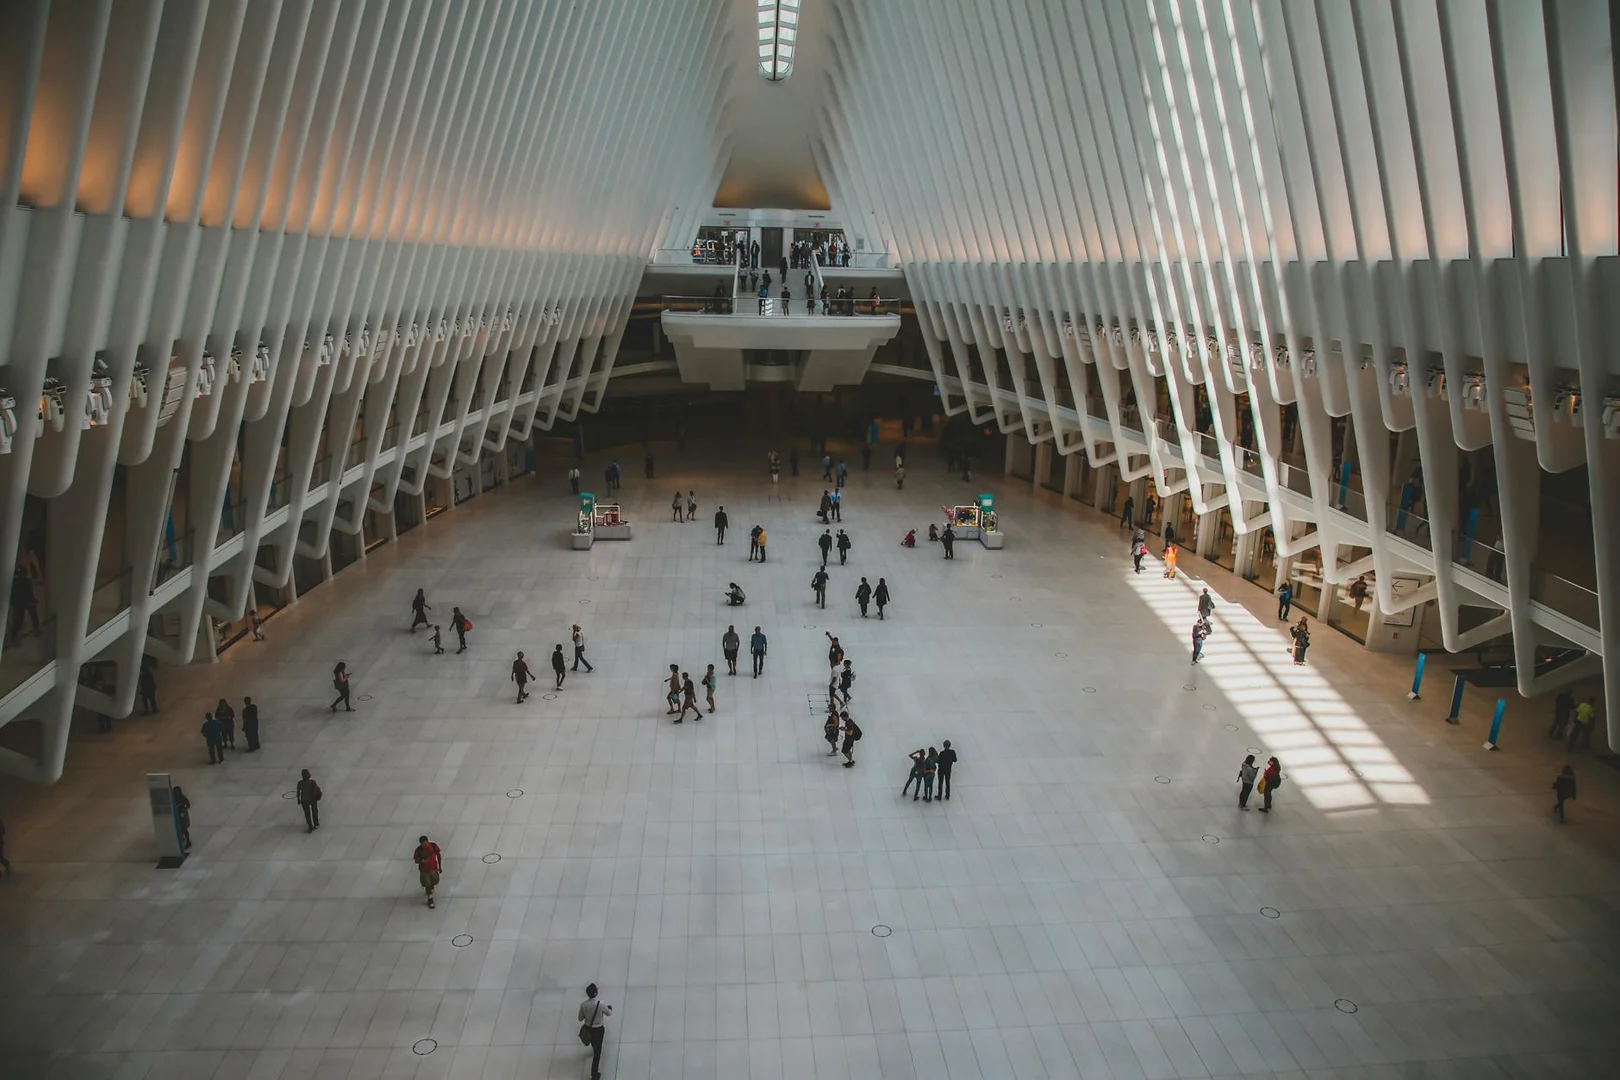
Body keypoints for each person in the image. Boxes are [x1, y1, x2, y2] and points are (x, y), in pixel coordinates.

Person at [578, 984, 613, 1080]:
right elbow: (608, 1013)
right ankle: (594, 1074)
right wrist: (610, 1008)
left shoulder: (583, 1005)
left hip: (589, 1029)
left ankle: (594, 1048)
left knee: (594, 1045)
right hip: (598, 1029)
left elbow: (580, 1018)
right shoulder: (600, 1003)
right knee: (598, 1053)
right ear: (595, 993)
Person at [7, 567, 40, 643]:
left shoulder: (15, 582)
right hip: (25, 602)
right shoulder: (25, 581)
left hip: (20, 603)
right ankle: (36, 630)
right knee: (31, 617)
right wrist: (33, 600)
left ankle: (14, 636)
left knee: (19, 620)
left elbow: (13, 594)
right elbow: (29, 592)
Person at [413, 834, 443, 908]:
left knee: (434, 881)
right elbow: (416, 860)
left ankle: (431, 888)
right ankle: (430, 899)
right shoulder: (418, 850)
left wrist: (440, 866)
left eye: (425, 843)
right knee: (427, 885)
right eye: (422, 844)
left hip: (434, 869)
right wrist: (422, 861)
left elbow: (438, 855)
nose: (424, 845)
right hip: (424, 871)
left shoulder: (433, 846)